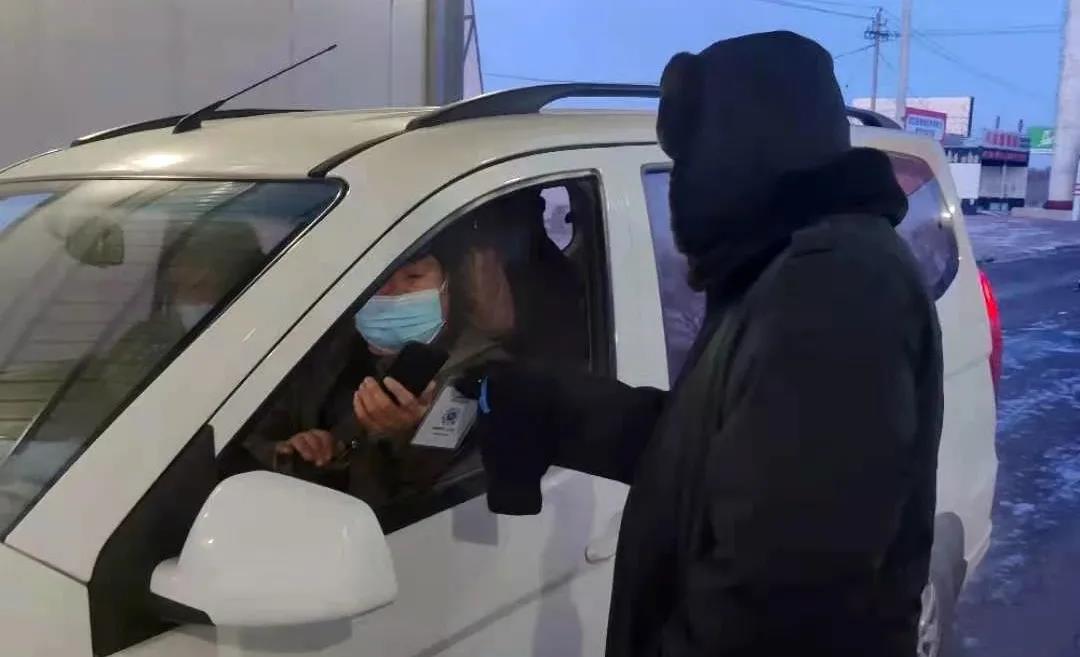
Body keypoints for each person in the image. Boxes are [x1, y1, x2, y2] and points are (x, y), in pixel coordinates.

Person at [459, 31, 943, 657]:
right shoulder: (788, 270)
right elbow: (722, 458)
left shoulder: (834, 287)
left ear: (737, 152)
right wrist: (544, 402)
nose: (682, 184)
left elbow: (779, 600)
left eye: (690, 158)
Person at [242, 246, 505, 506]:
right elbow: (246, 433)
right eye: (377, 277)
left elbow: (426, 502)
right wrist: (286, 453)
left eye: (413, 277)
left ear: (448, 286)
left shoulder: (483, 374)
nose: (390, 291)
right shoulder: (330, 345)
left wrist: (398, 435)